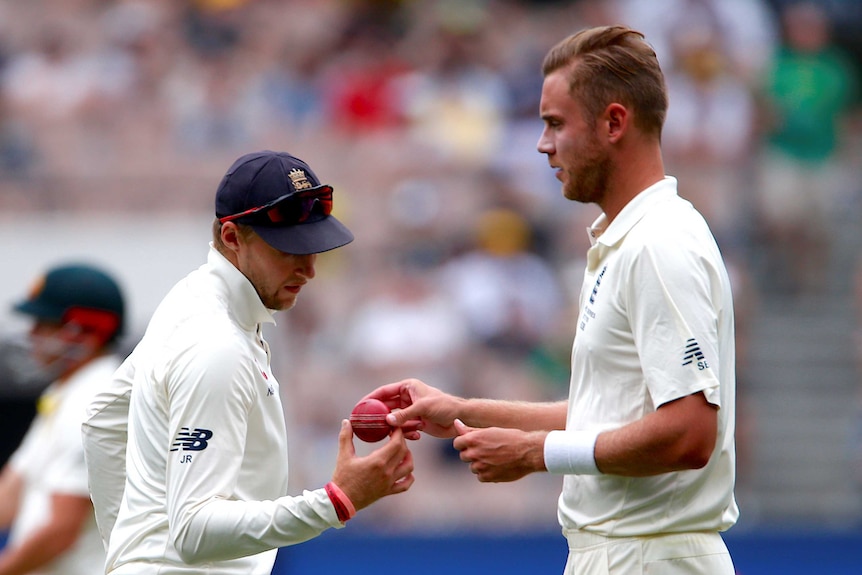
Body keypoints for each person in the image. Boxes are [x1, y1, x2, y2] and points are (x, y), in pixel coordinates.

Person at [367, 25, 738, 574]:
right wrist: (465, 411)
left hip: (648, 557)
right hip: (626, 553)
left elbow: (689, 433)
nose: (542, 144)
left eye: (555, 124)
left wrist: (533, 454)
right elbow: (612, 414)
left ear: (614, 123)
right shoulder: (627, 240)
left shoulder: (658, 245)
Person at [81, 150, 414, 574]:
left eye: (314, 248)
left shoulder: (191, 299)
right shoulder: (217, 346)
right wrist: (335, 500)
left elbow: (103, 419)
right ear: (232, 237)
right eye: (287, 249)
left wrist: (129, 554)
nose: (309, 269)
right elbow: (194, 530)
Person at [0, 263, 126, 574]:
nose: (31, 334)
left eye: (44, 323)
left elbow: (61, 530)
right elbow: (12, 488)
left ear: (86, 332)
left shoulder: (95, 403)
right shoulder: (65, 390)